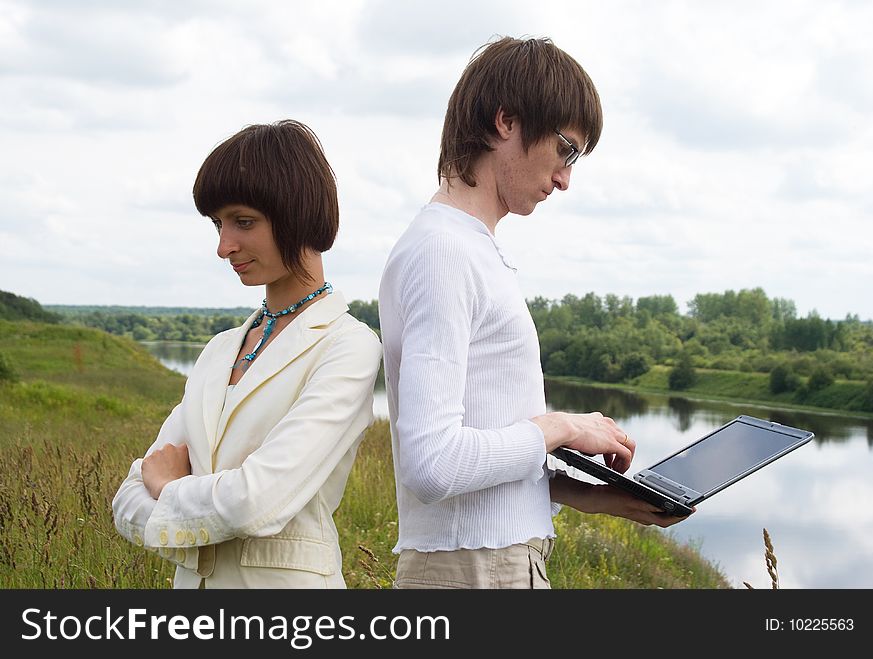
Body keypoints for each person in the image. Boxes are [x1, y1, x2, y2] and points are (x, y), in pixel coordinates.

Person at [378, 36, 689, 589]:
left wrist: (590, 497)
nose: (566, 178)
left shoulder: (471, 247)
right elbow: (433, 466)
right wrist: (562, 426)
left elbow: (480, 450)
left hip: (496, 561)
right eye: (565, 149)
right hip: (467, 570)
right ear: (507, 122)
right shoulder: (443, 250)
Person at [113, 120, 382, 588]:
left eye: (243, 221)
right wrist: (181, 499)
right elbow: (126, 500)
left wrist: (169, 489)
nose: (224, 246)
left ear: (296, 212)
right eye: (218, 224)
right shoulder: (219, 350)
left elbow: (258, 501)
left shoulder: (348, 346)